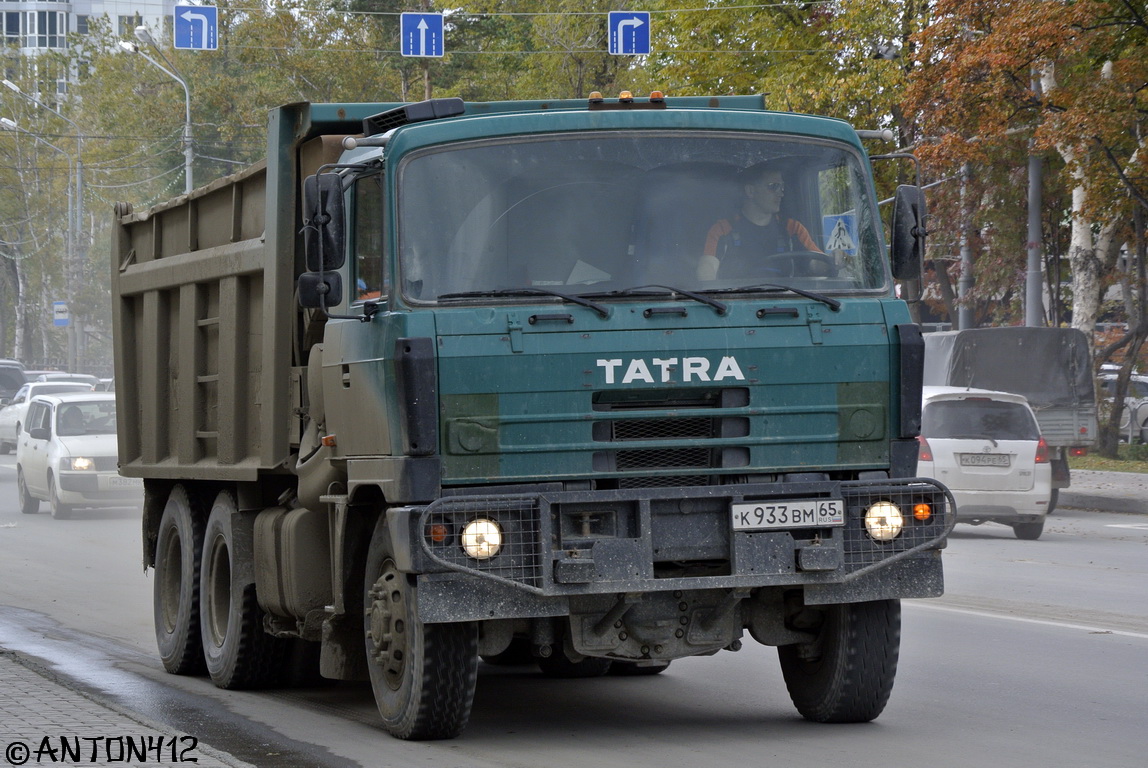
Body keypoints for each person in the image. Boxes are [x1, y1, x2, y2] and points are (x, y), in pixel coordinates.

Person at [698, 161, 828, 281]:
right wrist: (707, 277)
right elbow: (708, 266)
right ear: (751, 191)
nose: (781, 194)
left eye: (782, 187)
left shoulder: (793, 228)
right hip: (735, 302)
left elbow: (816, 262)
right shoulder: (723, 229)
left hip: (786, 301)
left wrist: (835, 261)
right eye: (773, 186)